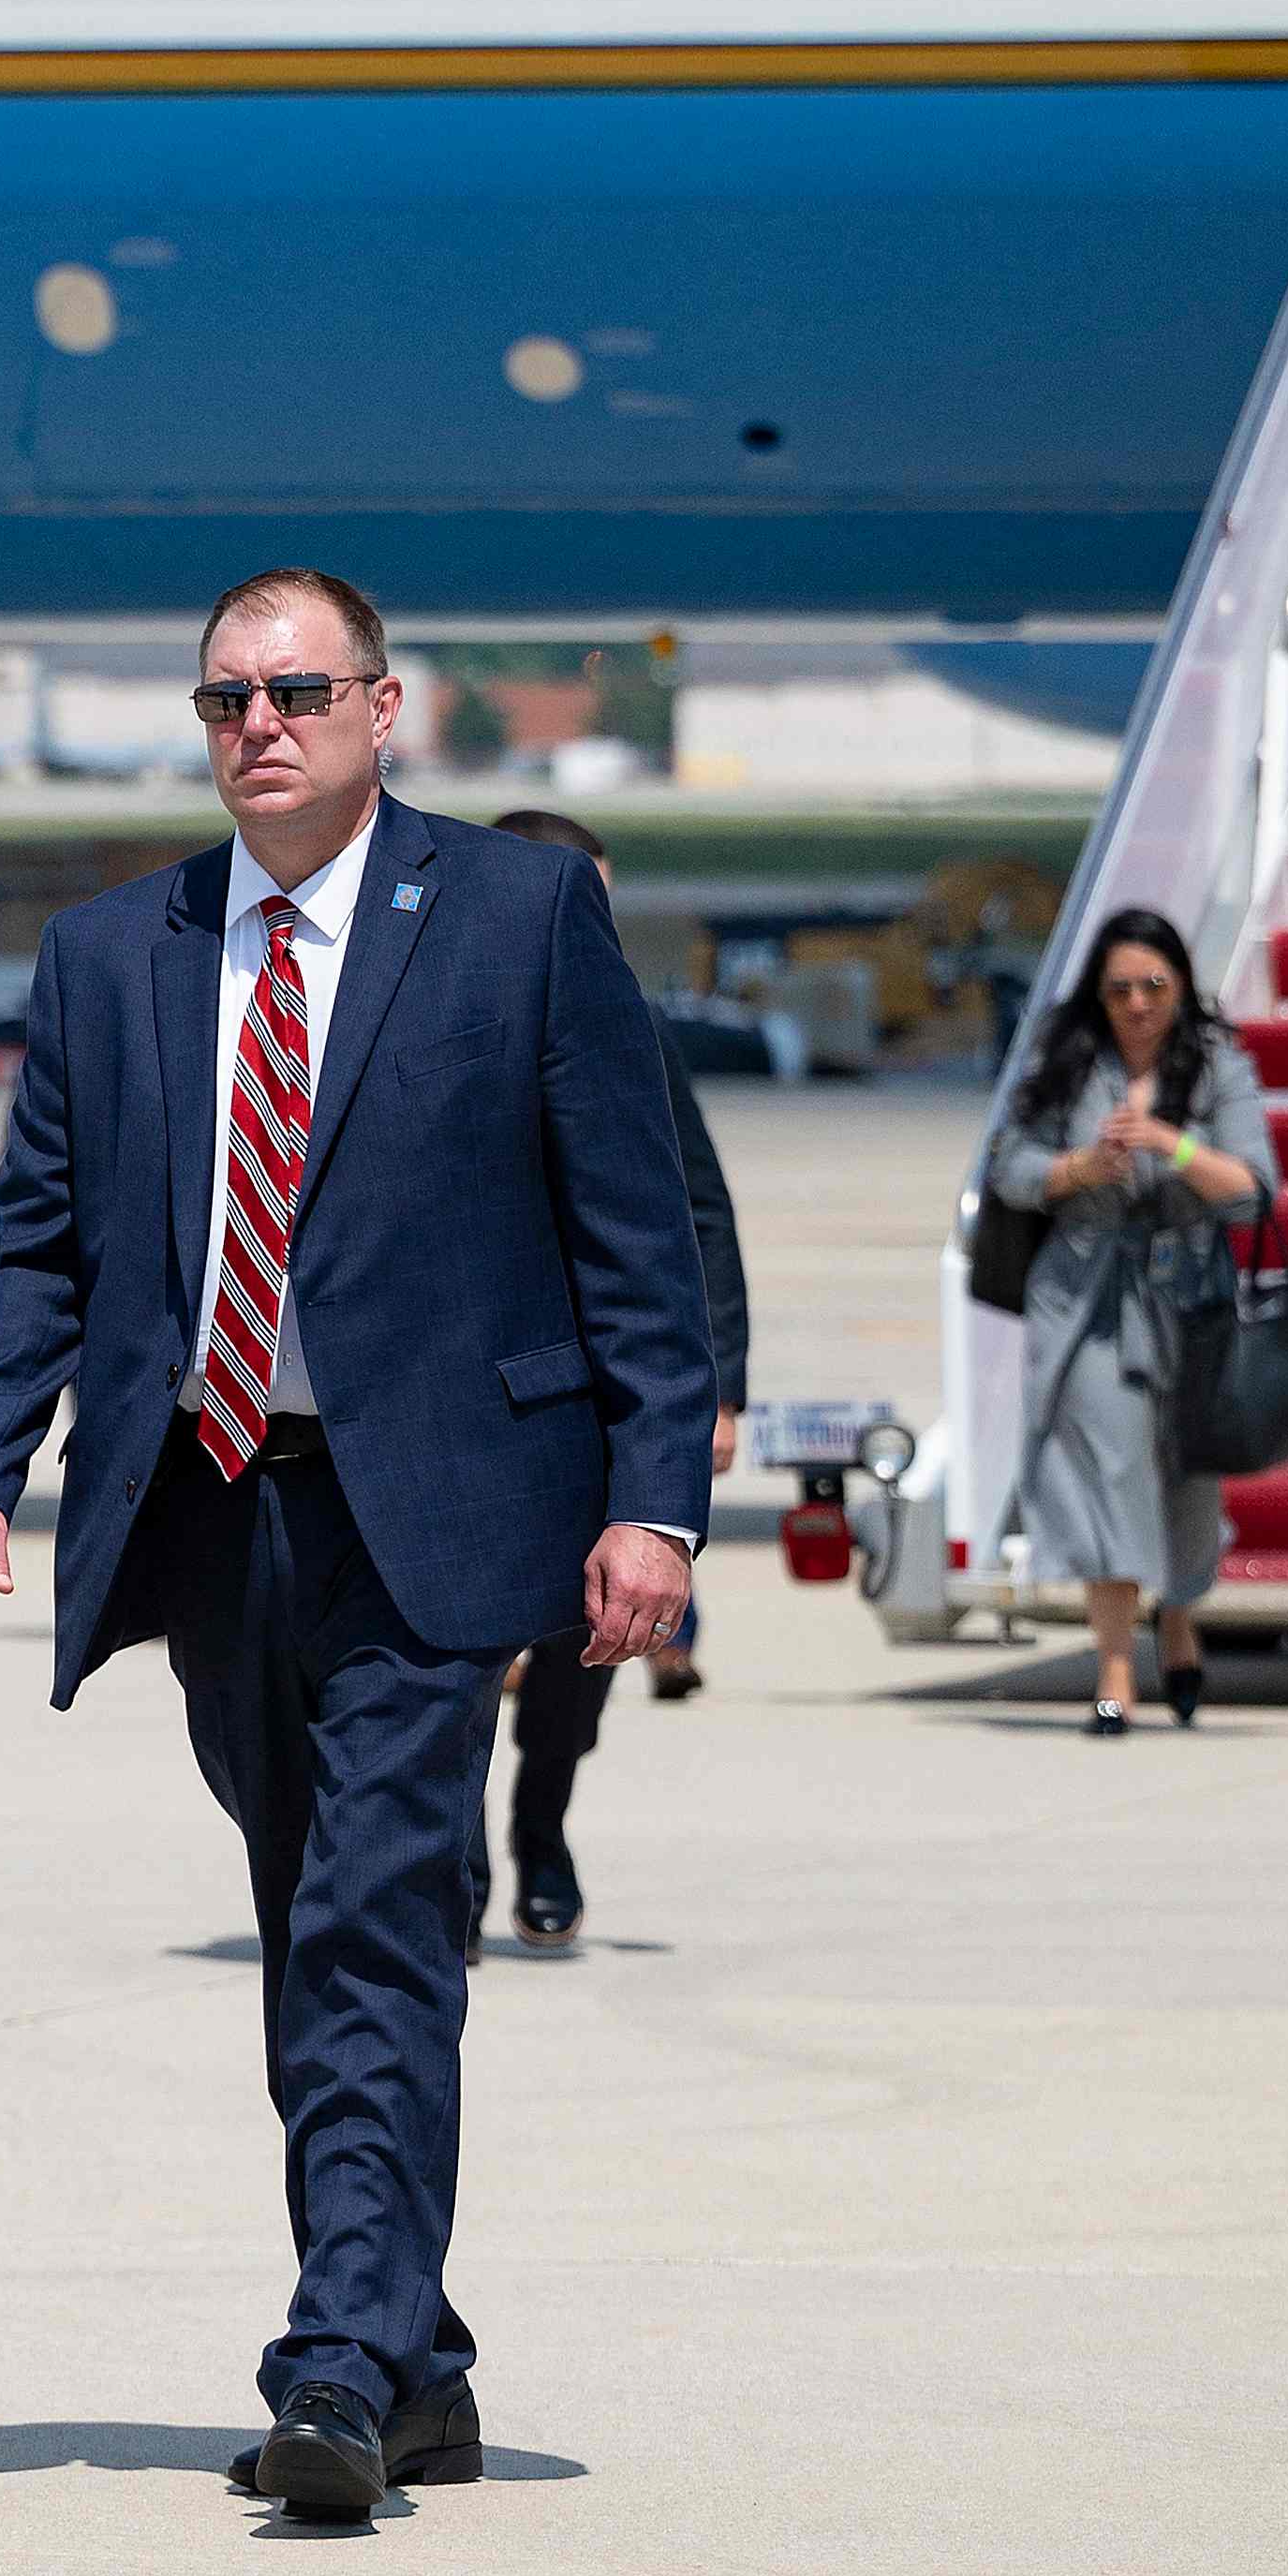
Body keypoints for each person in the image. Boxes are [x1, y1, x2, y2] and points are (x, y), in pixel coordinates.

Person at [0, 569, 714, 2524]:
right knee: (317, 1929)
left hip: (443, 1512)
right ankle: (422, 2352)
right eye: (222, 696)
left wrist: (654, 1493)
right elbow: (41, 1247)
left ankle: (337, 2358)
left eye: (294, 688)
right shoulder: (116, 951)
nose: (257, 722)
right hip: (213, 1510)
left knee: (373, 1913)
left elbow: (636, 1226)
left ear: (383, 705)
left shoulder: (520, 918)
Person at [476, 809, 748, 1947]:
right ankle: (450, 1861)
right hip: (462, 1397)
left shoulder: (630, 1021)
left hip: (593, 1396)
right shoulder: (424, 1008)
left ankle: (542, 1826)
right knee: (447, 1658)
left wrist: (718, 1387)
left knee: (580, 1648)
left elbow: (697, 1211)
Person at [982, 909, 1274, 1738]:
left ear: (1181, 987)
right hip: (1083, 1297)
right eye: (1120, 990)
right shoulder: (1069, 1064)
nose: (1138, 1005)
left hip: (1188, 1298)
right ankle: (1114, 1670)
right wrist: (1079, 1167)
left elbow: (1254, 1188)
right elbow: (1009, 1165)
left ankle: (1176, 1616)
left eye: (1154, 986)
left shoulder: (1218, 1067)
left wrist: (1169, 1145)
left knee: (1184, 1481)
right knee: (1102, 1471)